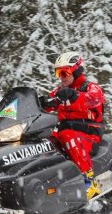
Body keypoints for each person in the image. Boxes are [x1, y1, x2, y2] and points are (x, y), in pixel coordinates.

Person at [40, 52, 105, 200]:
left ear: (76, 71)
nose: (61, 76)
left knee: (66, 135)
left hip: (89, 133)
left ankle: (89, 180)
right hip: (66, 130)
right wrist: (41, 103)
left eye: (65, 72)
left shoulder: (91, 88)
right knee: (44, 140)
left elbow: (93, 99)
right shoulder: (60, 91)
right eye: (58, 72)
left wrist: (74, 95)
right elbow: (49, 103)